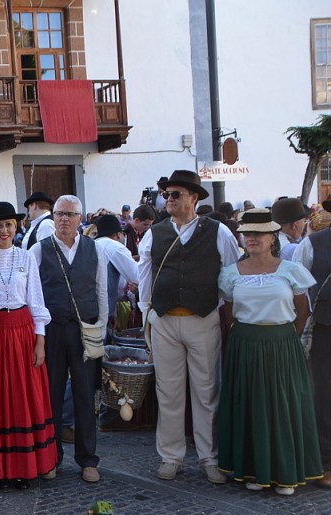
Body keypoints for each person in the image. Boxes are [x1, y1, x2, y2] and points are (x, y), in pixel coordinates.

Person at [138, 170, 240, 484]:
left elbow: (231, 273)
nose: (169, 199)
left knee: (207, 391)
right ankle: (171, 456)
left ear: (194, 197)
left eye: (176, 194)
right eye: (166, 195)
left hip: (203, 319)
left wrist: (223, 309)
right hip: (165, 320)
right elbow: (145, 273)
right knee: (167, 391)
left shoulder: (218, 231)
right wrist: (146, 314)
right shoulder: (155, 233)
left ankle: (209, 457)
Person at [218, 209, 323, 495]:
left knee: (284, 405)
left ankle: (284, 472)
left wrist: (285, 336)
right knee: (250, 405)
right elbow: (229, 312)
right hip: (245, 344)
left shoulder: (290, 270)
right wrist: (248, 336)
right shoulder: (231, 274)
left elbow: (303, 310)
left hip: (281, 343)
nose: (252, 238)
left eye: (259, 234)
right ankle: (254, 469)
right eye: (247, 234)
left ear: (272, 238)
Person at [0, 201, 57, 489]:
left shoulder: (26, 257)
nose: (4, 230)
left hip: (22, 334)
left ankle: (27, 466)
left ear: (16, 226)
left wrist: (40, 341)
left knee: (23, 397)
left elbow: (36, 300)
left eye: (8, 224)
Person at [29, 196, 107, 482]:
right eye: (59, 213)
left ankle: (88, 460)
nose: (63, 219)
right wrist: (37, 334)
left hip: (85, 329)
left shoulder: (95, 249)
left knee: (85, 395)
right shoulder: (38, 249)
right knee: (51, 395)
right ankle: (52, 457)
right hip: (53, 330)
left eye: (70, 214)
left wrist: (100, 328)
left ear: (80, 219)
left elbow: (101, 290)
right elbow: (32, 294)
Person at [293, 197, 331, 489]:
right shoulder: (312, 244)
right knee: (325, 397)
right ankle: (326, 462)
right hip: (325, 329)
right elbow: (297, 288)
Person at [93, 214, 139, 430]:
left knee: (89, 367)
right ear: (119, 234)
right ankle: (109, 416)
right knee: (108, 366)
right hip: (101, 316)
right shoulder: (114, 247)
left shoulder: (91, 245)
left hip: (91, 313)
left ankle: (98, 415)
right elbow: (136, 275)